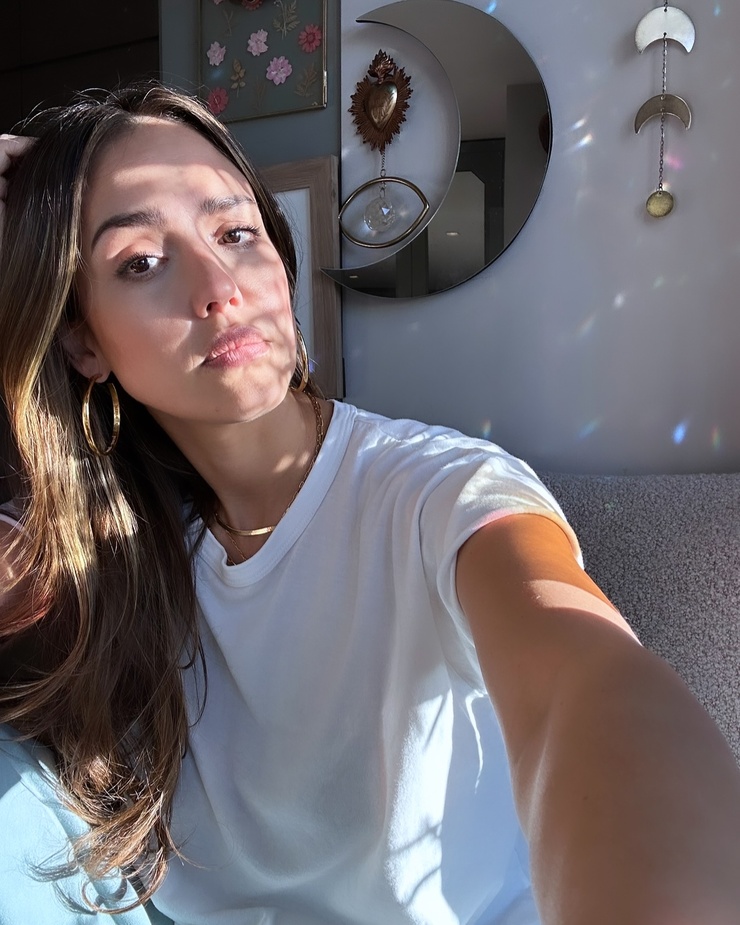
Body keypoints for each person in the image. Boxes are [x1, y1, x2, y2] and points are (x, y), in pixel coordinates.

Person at [0, 83, 738, 925]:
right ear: (81, 338)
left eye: (236, 233)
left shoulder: (440, 493)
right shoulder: (96, 542)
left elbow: (582, 683)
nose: (219, 287)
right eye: (140, 262)